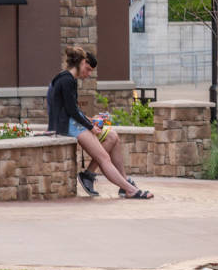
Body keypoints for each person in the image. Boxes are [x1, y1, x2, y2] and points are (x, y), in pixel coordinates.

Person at [47, 47, 149, 199]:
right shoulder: (67, 80)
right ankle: (130, 189)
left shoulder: (66, 78)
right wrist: (90, 127)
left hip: (72, 124)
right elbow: (71, 111)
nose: (88, 74)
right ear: (82, 62)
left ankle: (116, 181)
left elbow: (71, 108)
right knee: (104, 158)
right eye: (87, 69)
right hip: (68, 126)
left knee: (112, 137)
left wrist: (90, 120)